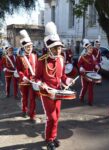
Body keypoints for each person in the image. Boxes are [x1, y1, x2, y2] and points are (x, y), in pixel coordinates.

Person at [35, 21, 74, 150]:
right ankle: (49, 139)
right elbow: (37, 78)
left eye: (59, 48)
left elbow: (62, 77)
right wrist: (43, 85)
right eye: (55, 48)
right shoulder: (41, 61)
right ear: (49, 48)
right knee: (51, 117)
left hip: (58, 93)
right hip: (46, 93)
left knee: (57, 116)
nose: (58, 50)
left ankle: (53, 136)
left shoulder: (61, 59)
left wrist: (68, 81)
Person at [16, 29, 38, 122]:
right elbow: (19, 69)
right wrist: (23, 76)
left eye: (31, 46)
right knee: (24, 97)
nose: (30, 48)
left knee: (32, 98)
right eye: (28, 47)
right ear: (24, 47)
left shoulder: (34, 56)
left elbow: (37, 68)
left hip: (32, 81)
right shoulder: (20, 57)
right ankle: (24, 110)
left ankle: (32, 115)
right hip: (24, 81)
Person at [78, 39, 100, 106]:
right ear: (86, 49)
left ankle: (90, 101)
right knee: (84, 87)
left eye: (91, 48)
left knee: (90, 88)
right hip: (84, 74)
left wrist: (96, 65)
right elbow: (79, 64)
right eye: (90, 48)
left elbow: (95, 62)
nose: (91, 49)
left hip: (91, 74)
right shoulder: (82, 57)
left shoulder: (93, 56)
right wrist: (81, 68)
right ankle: (81, 97)